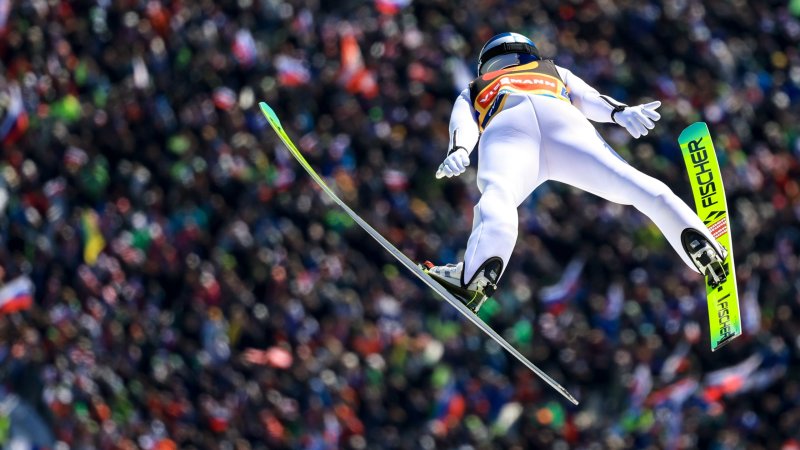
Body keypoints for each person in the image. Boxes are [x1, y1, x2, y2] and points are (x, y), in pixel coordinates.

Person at [423, 32, 728, 313]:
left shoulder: (476, 87)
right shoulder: (550, 69)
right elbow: (587, 97)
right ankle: (702, 245)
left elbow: (462, 122)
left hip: (506, 125)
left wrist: (459, 150)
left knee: (499, 195)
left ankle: (475, 276)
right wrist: (620, 112)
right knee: (634, 186)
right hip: (563, 120)